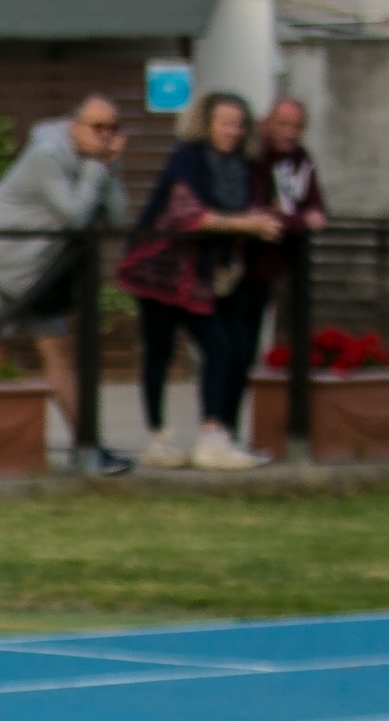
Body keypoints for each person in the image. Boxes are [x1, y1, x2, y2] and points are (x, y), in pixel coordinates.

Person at [115, 92, 284, 471]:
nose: (232, 131)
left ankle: (212, 437)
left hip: (200, 276)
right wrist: (248, 224)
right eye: (225, 123)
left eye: (238, 124)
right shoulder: (187, 157)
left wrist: (260, 219)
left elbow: (240, 213)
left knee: (221, 349)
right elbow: (188, 215)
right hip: (160, 271)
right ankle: (157, 439)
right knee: (159, 353)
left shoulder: (239, 167)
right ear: (206, 124)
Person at [0, 94, 131, 471]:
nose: (106, 135)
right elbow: (75, 216)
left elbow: (117, 219)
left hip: (39, 268)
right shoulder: (48, 154)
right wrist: (96, 168)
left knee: (58, 352)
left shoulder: (96, 161)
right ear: (75, 126)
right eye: (97, 127)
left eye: (113, 128)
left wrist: (111, 169)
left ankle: (87, 448)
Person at [233, 95, 330, 430]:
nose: (290, 132)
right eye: (283, 124)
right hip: (237, 266)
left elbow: (316, 207)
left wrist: (288, 216)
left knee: (247, 351)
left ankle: (232, 430)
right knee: (230, 352)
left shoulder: (299, 157)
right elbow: (257, 212)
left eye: (297, 126)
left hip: (269, 270)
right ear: (268, 122)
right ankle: (221, 428)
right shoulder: (253, 154)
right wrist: (296, 219)